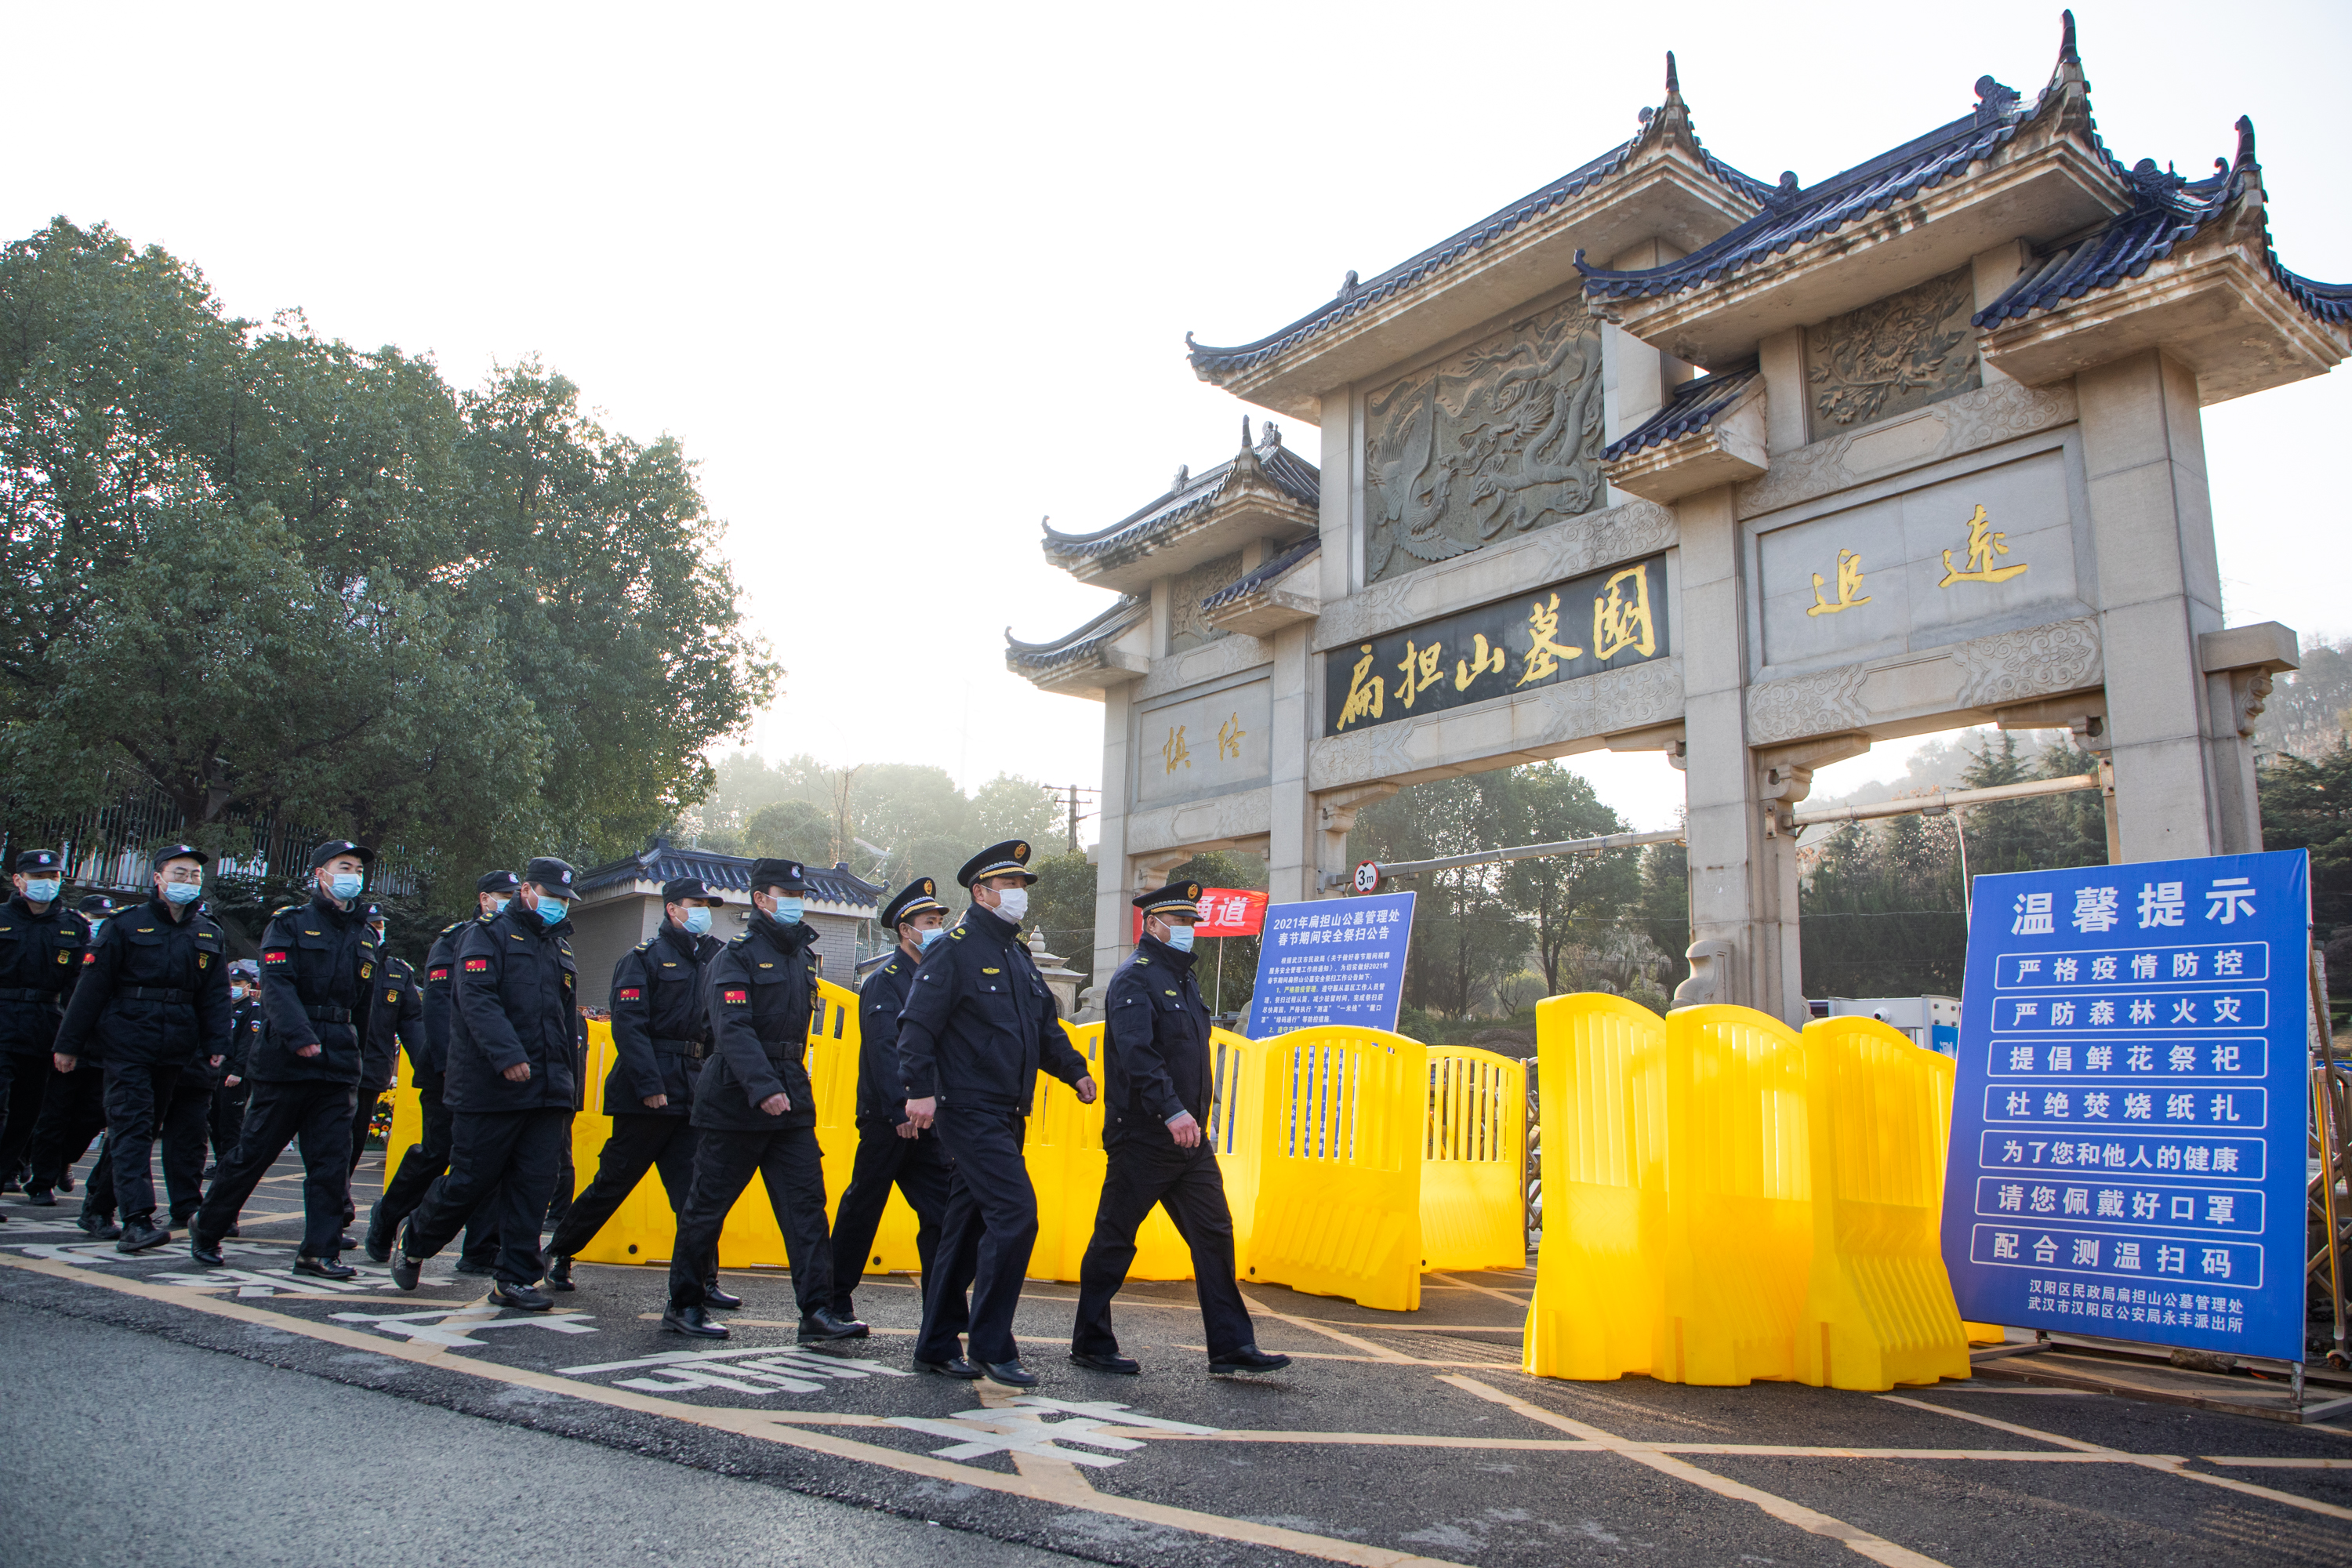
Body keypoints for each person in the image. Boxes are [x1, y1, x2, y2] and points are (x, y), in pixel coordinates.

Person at [1070, 881, 1288, 1377]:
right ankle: (1091, 1340)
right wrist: (1171, 1110)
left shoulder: (1184, 980)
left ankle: (1232, 1346)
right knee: (1115, 1238)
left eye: (1194, 922)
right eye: (1182, 922)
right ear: (1153, 925)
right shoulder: (1134, 980)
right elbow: (1137, 1054)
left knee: (1215, 1235)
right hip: (1145, 1136)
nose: (1191, 931)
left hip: (1189, 1141)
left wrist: (1192, 1115)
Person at [899, 840, 1096, 1386]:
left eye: (1021, 887)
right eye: (1009, 887)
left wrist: (1075, 1070)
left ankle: (936, 1345)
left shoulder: (1017, 956)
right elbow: (917, 1024)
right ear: (981, 893)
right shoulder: (954, 949)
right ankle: (990, 1346)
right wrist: (917, 1090)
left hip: (1009, 1112)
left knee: (964, 1232)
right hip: (968, 1109)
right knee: (1016, 1216)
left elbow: (1044, 1028)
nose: (1018, 896)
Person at [658, 858, 861, 1343]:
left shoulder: (798, 956)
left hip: (790, 1095)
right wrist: (762, 1087)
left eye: (798, 893)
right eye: (783, 893)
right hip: (736, 1097)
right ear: (760, 900)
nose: (794, 901)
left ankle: (817, 1311)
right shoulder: (736, 956)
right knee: (707, 1206)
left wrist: (782, 1088)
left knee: (807, 1206)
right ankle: (684, 1304)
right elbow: (732, 1029)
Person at [390, 858, 585, 1309]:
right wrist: (508, 1056)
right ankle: (415, 1237)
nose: (558, 906)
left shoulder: (561, 949)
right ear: (528, 890)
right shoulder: (486, 936)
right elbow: (476, 1001)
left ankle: (515, 1277)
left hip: (547, 1089)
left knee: (535, 1184)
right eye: (552, 896)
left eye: (563, 900)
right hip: (491, 1086)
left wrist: (566, 1083)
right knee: (471, 1180)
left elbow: (564, 1021)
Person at [191, 840, 379, 1276]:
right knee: (255, 1151)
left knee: (332, 1160)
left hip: (337, 1060)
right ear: (320, 873)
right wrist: (299, 1037)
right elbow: (277, 985)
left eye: (358, 867)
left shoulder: (365, 934)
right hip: (287, 1059)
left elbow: (364, 1008)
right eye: (343, 865)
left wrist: (361, 1059)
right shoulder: (290, 924)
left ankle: (319, 1250)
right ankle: (210, 1225)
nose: (353, 874)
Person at [543, 877, 725, 1297]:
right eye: (694, 904)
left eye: (707, 905)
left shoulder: (714, 958)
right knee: (614, 1182)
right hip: (647, 1092)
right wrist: (649, 1084)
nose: (702, 911)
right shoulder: (642, 959)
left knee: (696, 1194)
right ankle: (561, 1252)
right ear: (672, 909)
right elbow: (629, 1027)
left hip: (692, 1090)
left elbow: (716, 1028)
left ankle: (704, 1279)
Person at [53, 845, 232, 1253]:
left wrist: (218, 1042)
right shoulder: (125, 925)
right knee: (131, 1126)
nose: (187, 882)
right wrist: (69, 1044)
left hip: (176, 1046)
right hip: (126, 1040)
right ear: (158, 877)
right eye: (179, 873)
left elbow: (215, 995)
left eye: (194, 876)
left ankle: (97, 1207)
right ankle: (137, 1218)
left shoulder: (207, 932)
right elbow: (91, 989)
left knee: (140, 1128)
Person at [365, 873, 514, 1269]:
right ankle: (388, 1214)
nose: (512, 902)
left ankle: (481, 1249)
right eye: (505, 896)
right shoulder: (456, 939)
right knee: (439, 1152)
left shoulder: (519, 942)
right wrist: (449, 1065)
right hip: (451, 1068)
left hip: (495, 1068)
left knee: (493, 1158)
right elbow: (436, 1007)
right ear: (484, 899)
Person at [826, 876, 953, 1323]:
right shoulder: (885, 982)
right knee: (863, 1208)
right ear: (905, 929)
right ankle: (832, 1300)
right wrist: (901, 1105)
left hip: (930, 1120)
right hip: (890, 1119)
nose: (937, 927)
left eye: (940, 920)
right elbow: (884, 1048)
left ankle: (941, 1312)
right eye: (929, 920)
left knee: (942, 1214)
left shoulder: (937, 979)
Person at [0, 850, 89, 1215]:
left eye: (53, 875)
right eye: (37, 876)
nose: (46, 882)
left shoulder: (72, 925)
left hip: (43, 1024)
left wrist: (75, 1036)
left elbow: (78, 987)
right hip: (2, 1017)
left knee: (27, 1113)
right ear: (18, 880)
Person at [20, 895, 119, 1207]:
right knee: (54, 1113)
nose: (97, 924)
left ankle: (63, 1159)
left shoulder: (117, 949)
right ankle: (42, 1180)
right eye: (93, 917)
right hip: (65, 1042)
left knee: (93, 1114)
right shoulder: (69, 948)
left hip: (103, 1045)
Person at [346, 904, 421, 1227]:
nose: (377, 930)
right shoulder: (344, 961)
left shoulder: (397, 972)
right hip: (331, 1066)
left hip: (370, 1070)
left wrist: (427, 1065)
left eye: (380, 925)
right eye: (371, 924)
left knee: (352, 1143)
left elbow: (413, 1025)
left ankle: (336, 1203)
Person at [208, 960, 261, 1179]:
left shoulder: (252, 1010)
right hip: (217, 1073)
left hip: (235, 1075)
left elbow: (248, 1044)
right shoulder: (224, 1007)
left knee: (231, 1122)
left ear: (249, 986)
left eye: (238, 982)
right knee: (215, 1120)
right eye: (231, 982)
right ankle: (221, 1161)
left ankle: (230, 1166)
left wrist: (239, 1071)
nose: (234, 986)